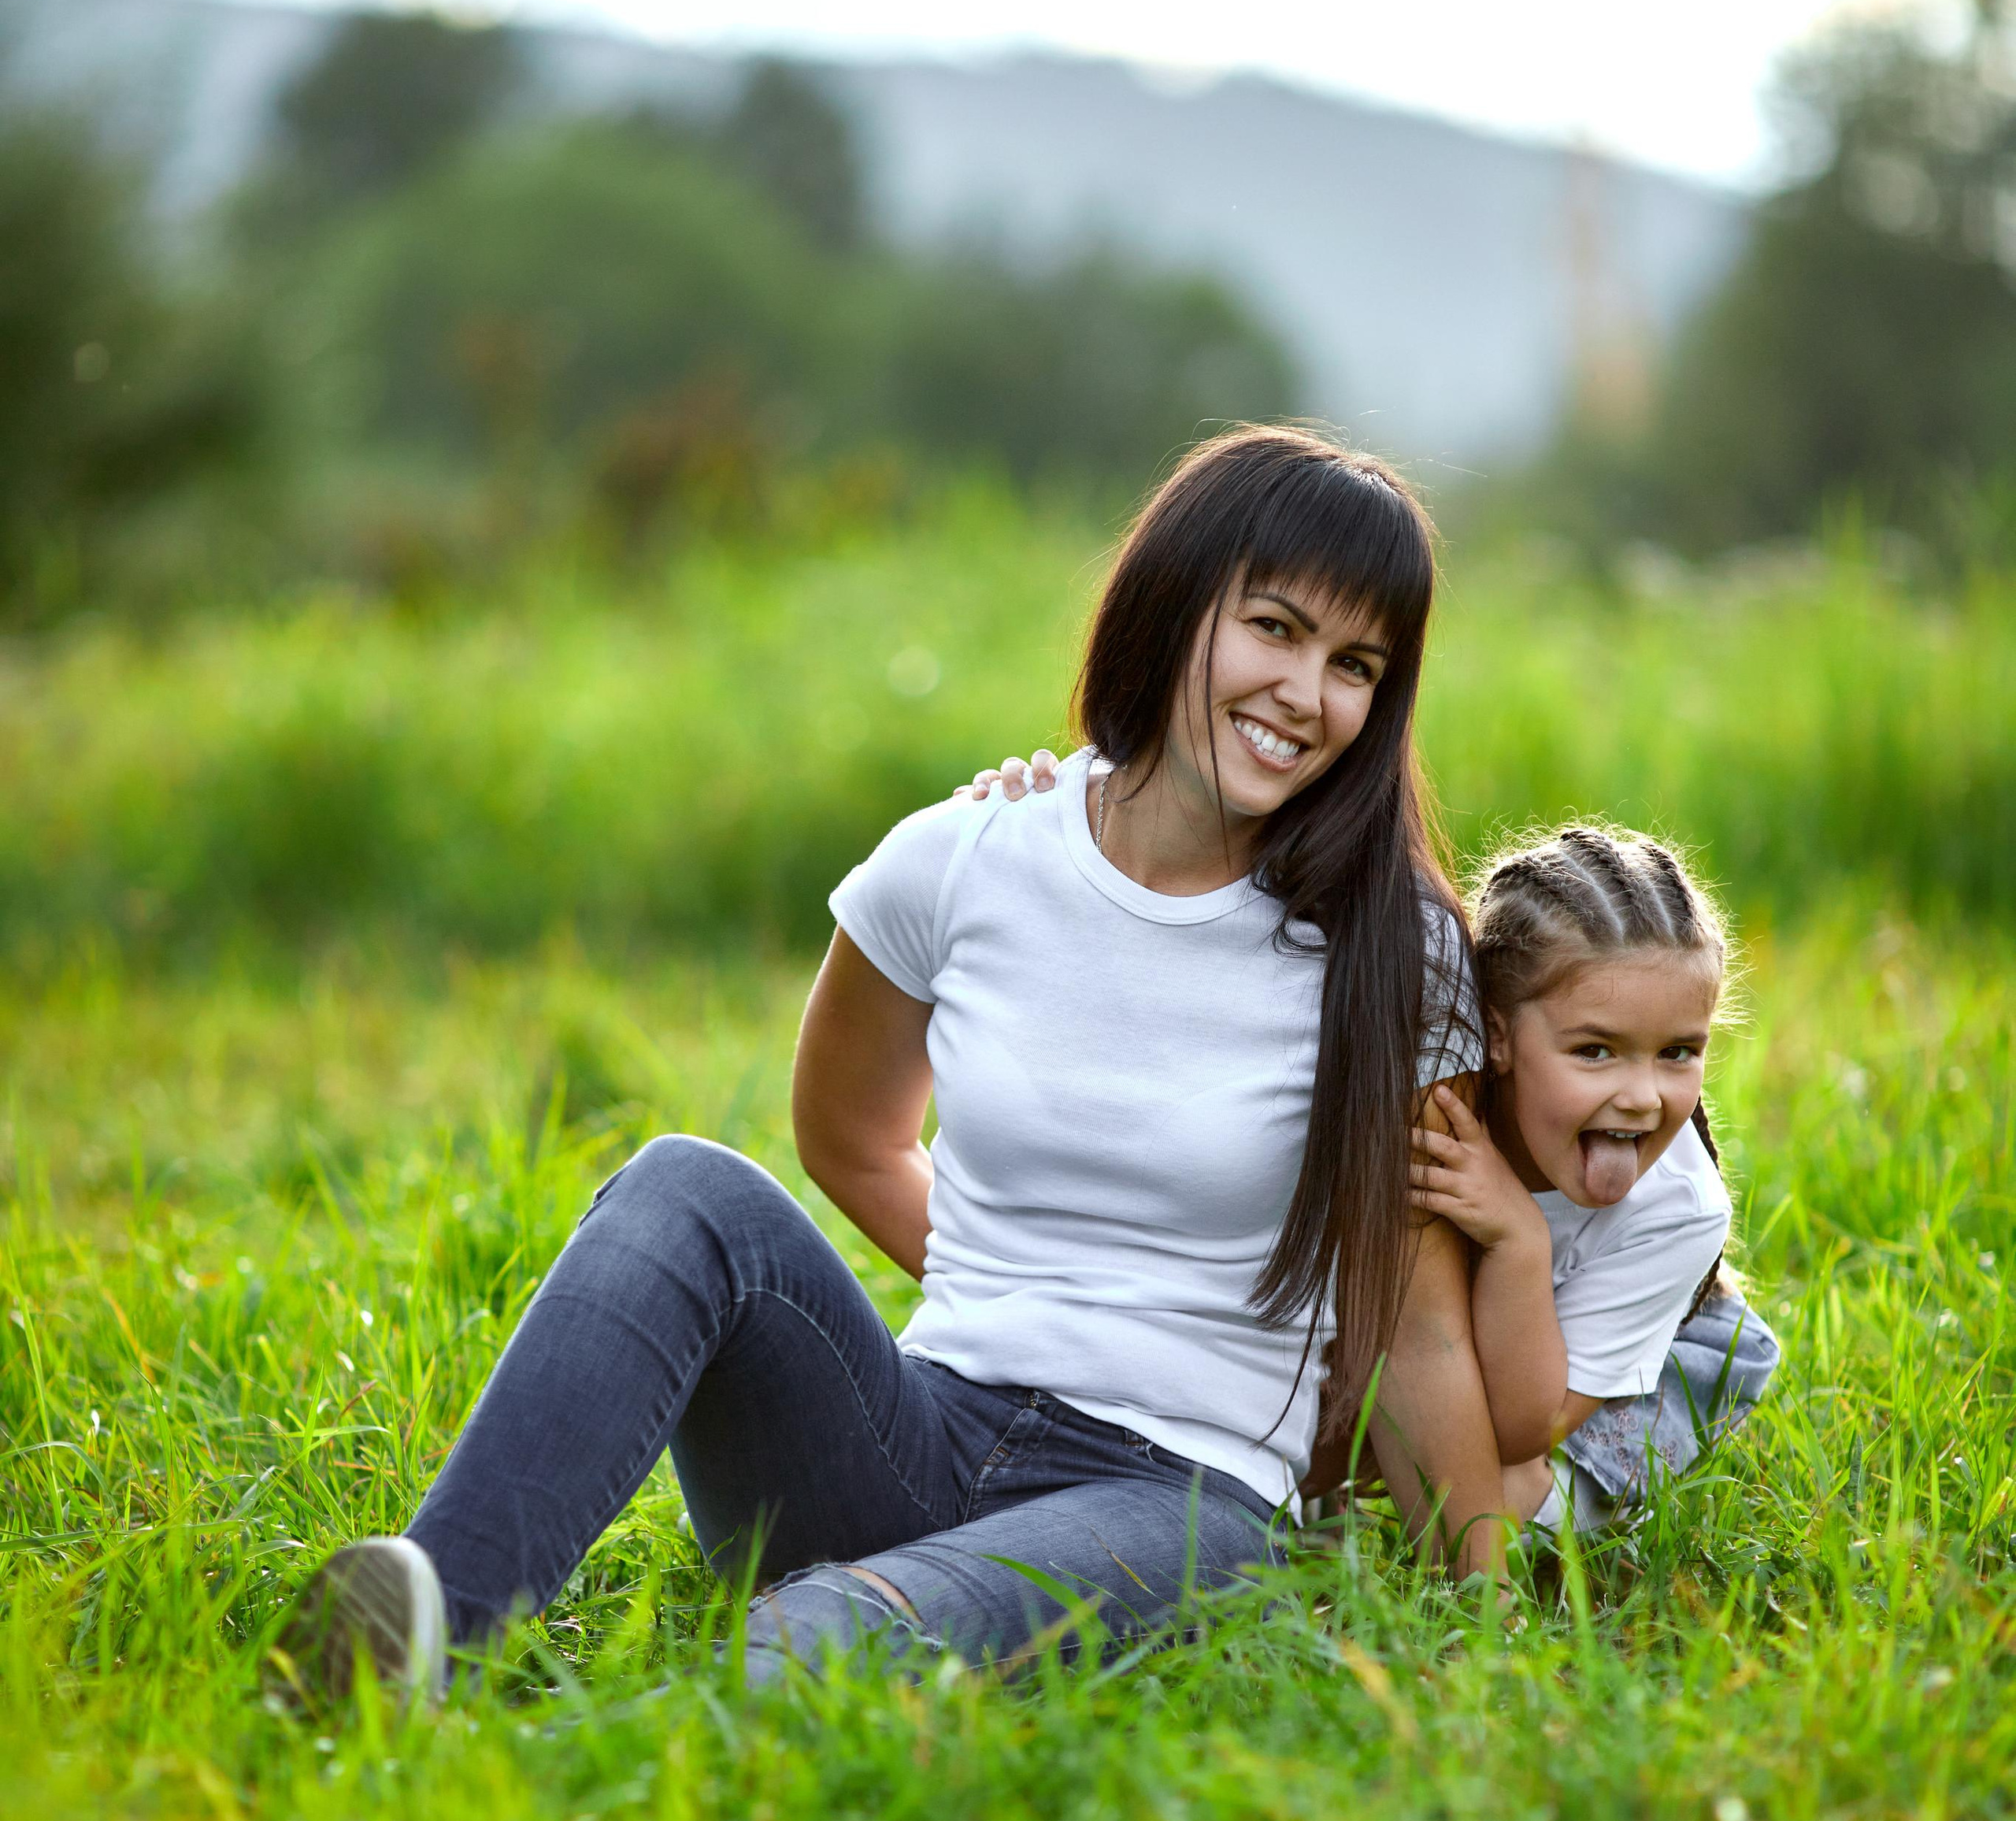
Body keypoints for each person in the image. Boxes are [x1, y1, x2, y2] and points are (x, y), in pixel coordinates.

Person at [278, 427, 1510, 1710]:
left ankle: (596, 1763)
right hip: (922, 1426)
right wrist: (1021, 1292)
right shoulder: (967, 859)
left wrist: (1485, 1615)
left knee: (824, 1643)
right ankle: (427, 1625)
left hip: (1174, 1500)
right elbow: (853, 1139)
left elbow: (1412, 1325)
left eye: (1356, 665)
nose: (1307, 693)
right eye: (1275, 628)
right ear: (1178, 602)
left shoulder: (1390, 952)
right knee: (684, 1194)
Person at [1408, 826, 1780, 1537]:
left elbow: (1523, 1430)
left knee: (1505, 1498)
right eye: (1595, 1051)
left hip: (1625, 1378)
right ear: (1497, 1035)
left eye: (1677, 1052)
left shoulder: (1679, 1212)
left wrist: (1518, 1239)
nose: (1643, 1097)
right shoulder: (1435, 1112)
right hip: (1500, 1360)